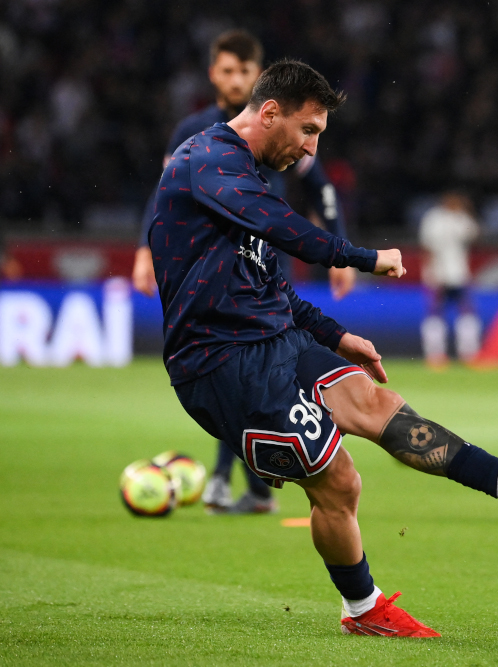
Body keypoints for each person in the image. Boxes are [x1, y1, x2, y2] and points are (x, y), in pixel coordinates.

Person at [149, 59, 498, 637]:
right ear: (270, 112)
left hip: (274, 340)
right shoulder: (204, 160)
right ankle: (362, 609)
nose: (310, 149)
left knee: (378, 403)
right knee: (339, 482)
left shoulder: (245, 179)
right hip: (223, 362)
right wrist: (362, 257)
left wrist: (337, 336)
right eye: (308, 130)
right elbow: (280, 225)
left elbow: (273, 287)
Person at [132, 30, 355, 514]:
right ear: (213, 73)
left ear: (259, 77)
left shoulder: (281, 125)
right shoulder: (195, 131)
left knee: (260, 368)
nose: (236, 80)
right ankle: (236, 480)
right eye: (228, 71)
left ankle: (245, 481)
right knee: (233, 364)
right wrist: (144, 250)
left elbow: (321, 186)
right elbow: (164, 191)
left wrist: (337, 241)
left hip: (265, 258)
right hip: (212, 263)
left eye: (245, 72)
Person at [418, 192, 481, 368]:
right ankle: (435, 355)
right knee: (435, 313)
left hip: (458, 273)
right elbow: (426, 247)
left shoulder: (461, 218)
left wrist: (467, 212)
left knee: (467, 312)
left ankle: (469, 354)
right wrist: (429, 272)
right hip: (437, 272)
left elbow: (474, 236)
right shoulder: (433, 218)